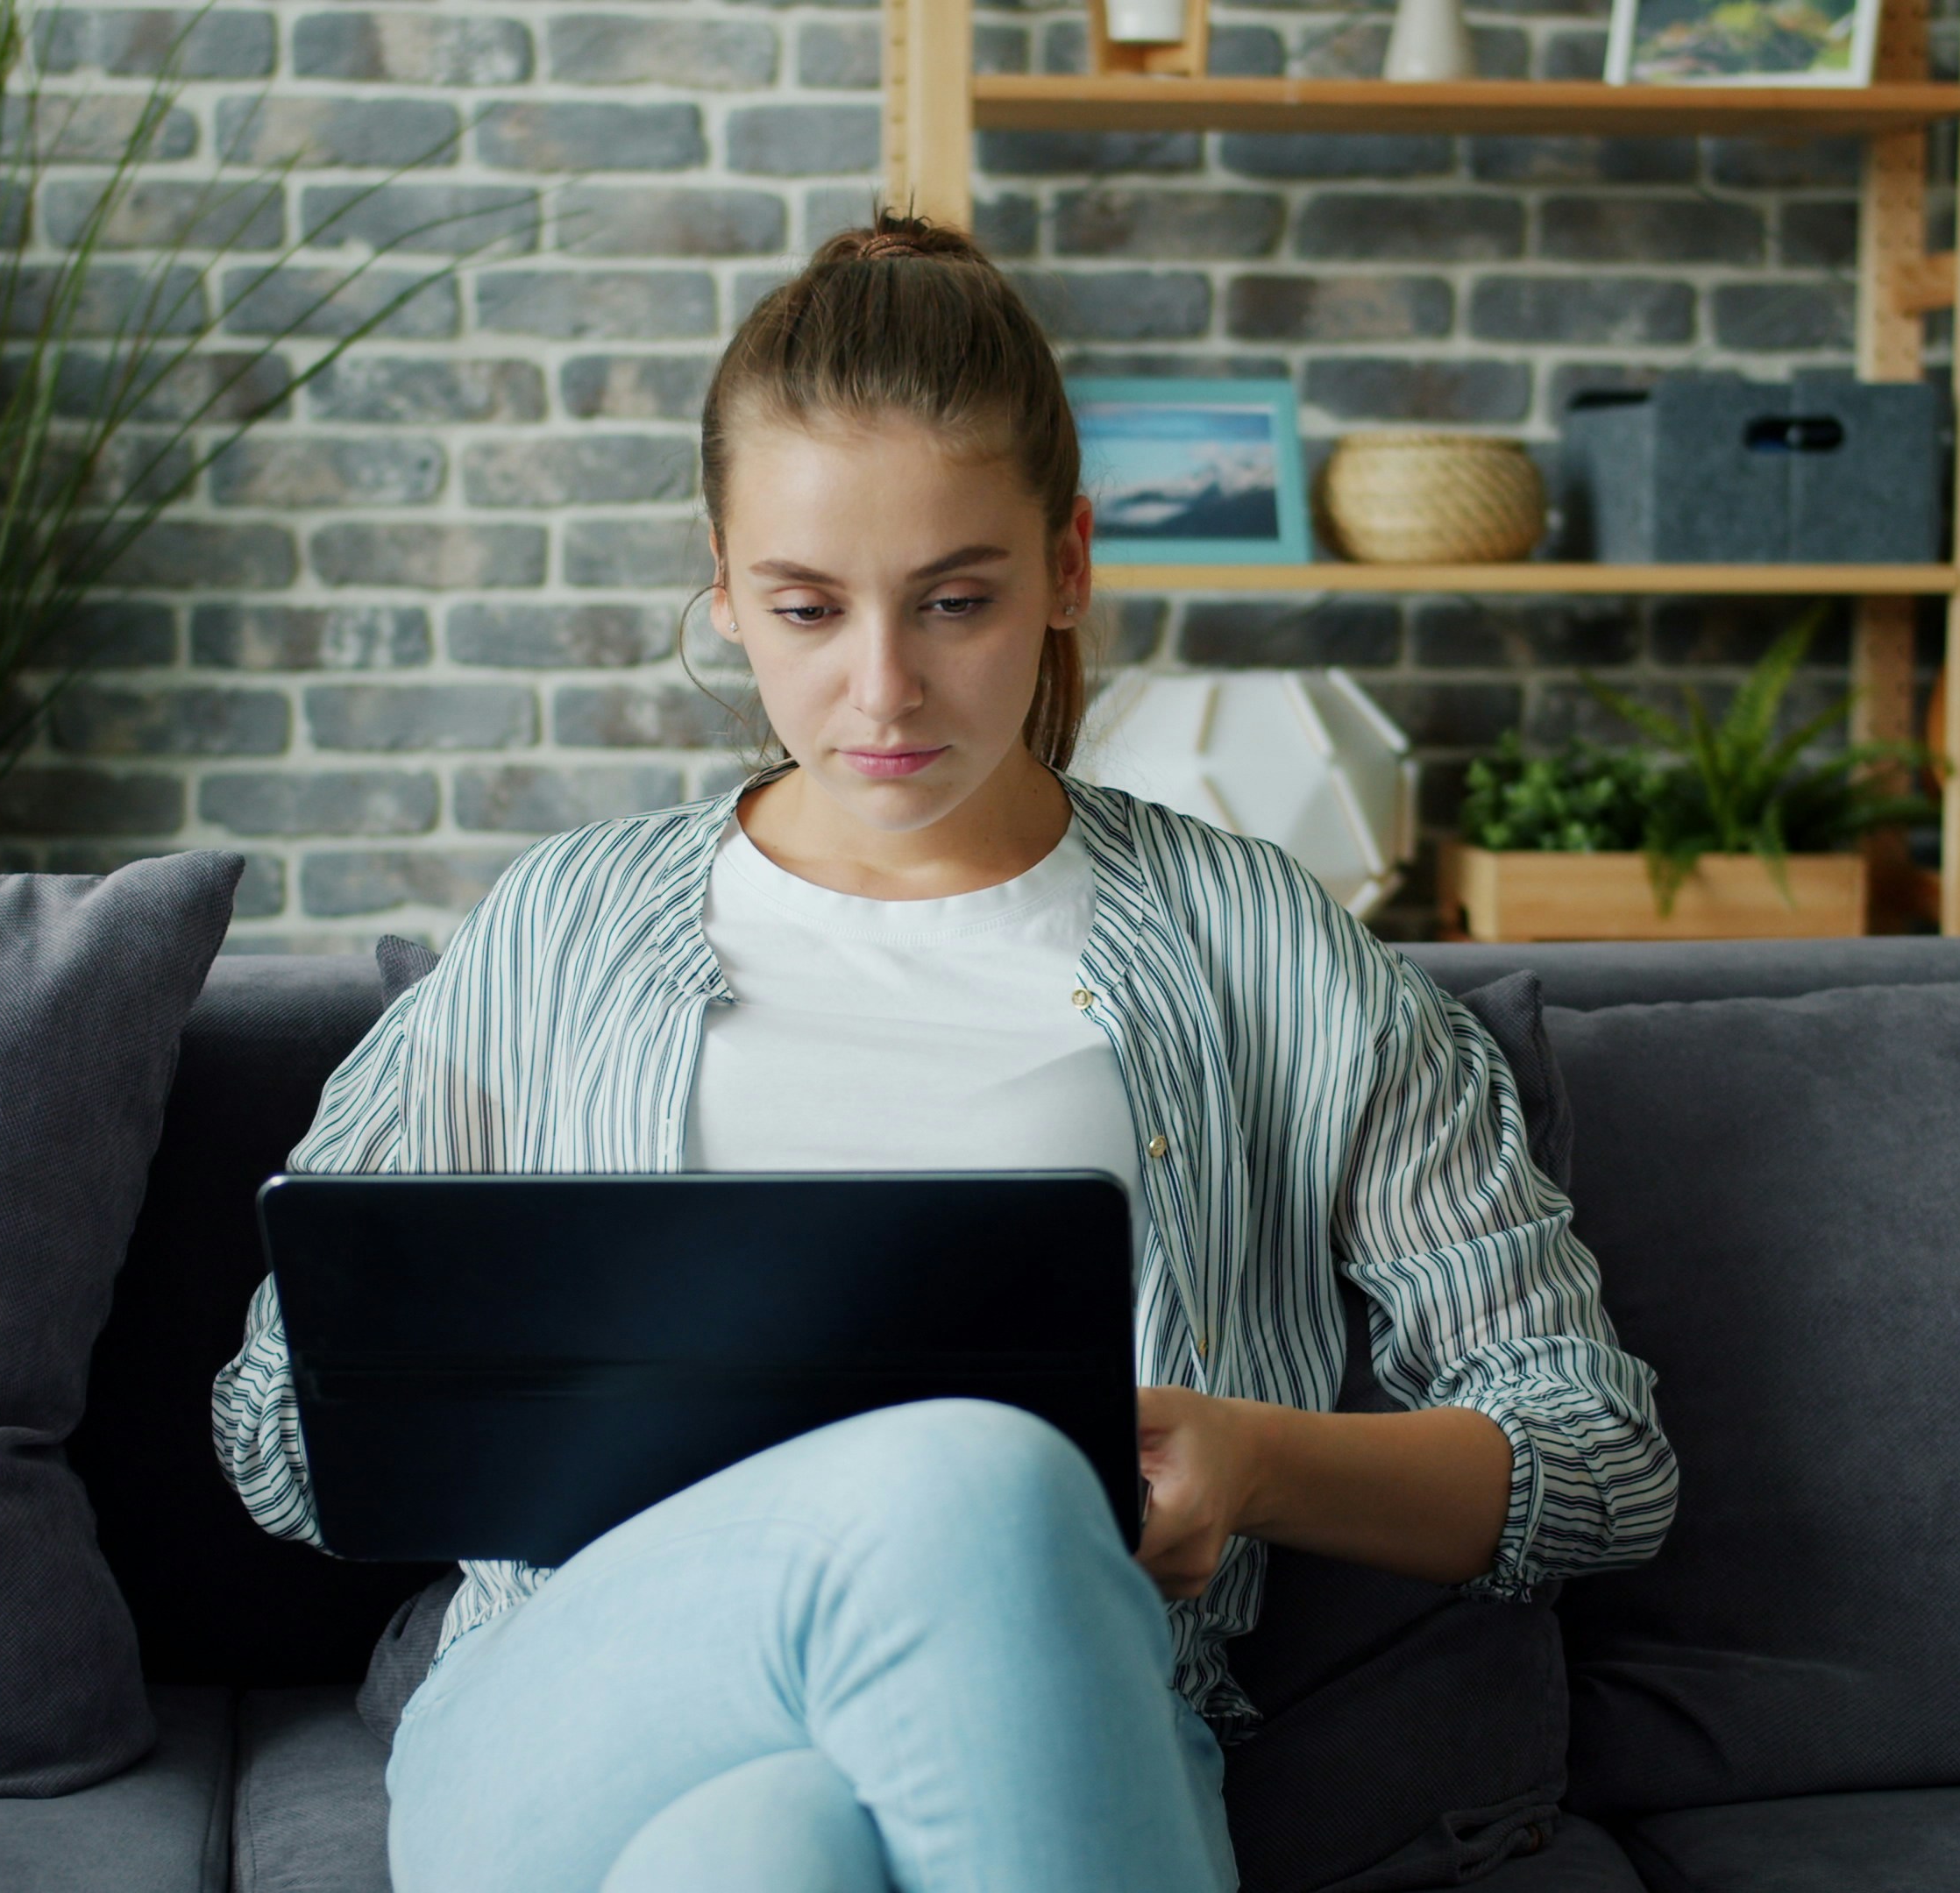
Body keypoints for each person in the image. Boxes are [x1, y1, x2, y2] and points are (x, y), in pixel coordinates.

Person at [212, 213, 1673, 1893]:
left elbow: (1597, 1457)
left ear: (1067, 567)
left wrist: (1257, 1460)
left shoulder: (1258, 942)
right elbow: (272, 1439)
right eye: (808, 608)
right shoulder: (560, 928)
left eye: (955, 601)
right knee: (966, 1475)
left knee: (777, 1854)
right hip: (582, 1698)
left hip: (1056, 1714)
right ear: (724, 586)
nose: (880, 690)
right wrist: (473, 1399)